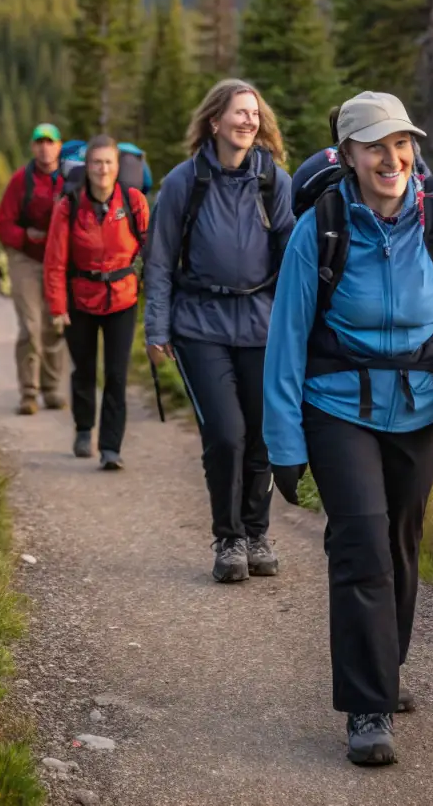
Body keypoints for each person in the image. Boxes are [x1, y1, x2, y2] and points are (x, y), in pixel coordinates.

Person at [263, 91, 433, 768]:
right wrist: (284, 444)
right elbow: (285, 340)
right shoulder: (323, 227)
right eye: (374, 145)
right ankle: (367, 704)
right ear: (347, 156)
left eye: (399, 142)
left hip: (423, 407)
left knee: (401, 542)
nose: (390, 156)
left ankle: (385, 665)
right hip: (337, 405)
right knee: (362, 540)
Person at [143, 79, 294, 583]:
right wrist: (157, 326)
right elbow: (160, 260)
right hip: (199, 325)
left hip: (261, 324)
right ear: (215, 122)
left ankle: (256, 533)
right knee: (226, 435)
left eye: (254, 113)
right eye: (238, 113)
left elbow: (293, 260)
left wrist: (299, 327)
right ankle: (228, 539)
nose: (248, 121)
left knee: (263, 437)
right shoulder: (184, 182)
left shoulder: (273, 181)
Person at [43, 136, 148, 470]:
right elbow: (55, 261)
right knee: (85, 370)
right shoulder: (69, 205)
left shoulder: (133, 202)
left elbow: (151, 251)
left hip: (123, 299)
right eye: (96, 163)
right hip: (80, 300)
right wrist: (58, 308)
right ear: (86, 167)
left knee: (116, 375)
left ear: (118, 167)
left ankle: (111, 448)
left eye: (108, 163)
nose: (102, 169)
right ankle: (84, 429)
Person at [0, 122, 68, 415]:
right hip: (25, 258)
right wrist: (26, 237)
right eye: (39, 142)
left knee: (55, 325)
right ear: (32, 147)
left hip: (58, 260)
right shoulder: (19, 181)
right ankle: (29, 393)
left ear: (59, 147)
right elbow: (3, 226)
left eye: (50, 142)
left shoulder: (69, 179)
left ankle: (51, 390)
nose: (44, 147)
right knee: (30, 326)